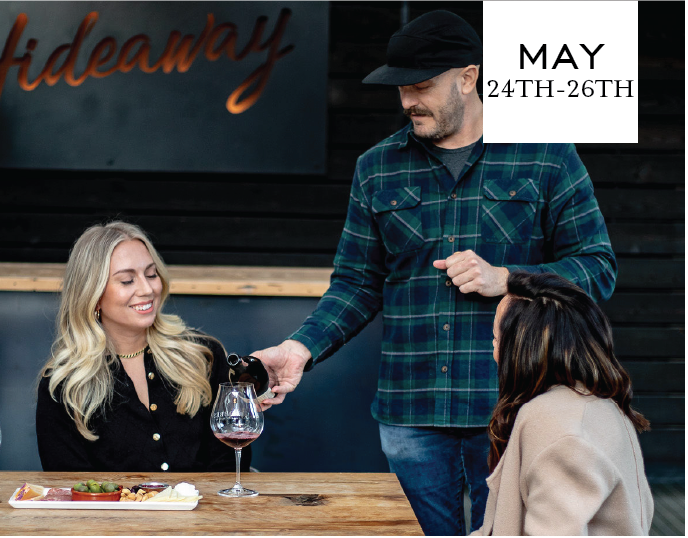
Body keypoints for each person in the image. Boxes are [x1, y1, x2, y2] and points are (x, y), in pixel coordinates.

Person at [254, 10, 617, 536]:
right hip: (411, 411)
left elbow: (598, 268)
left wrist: (507, 279)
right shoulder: (377, 167)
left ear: (468, 78)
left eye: (421, 86)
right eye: (400, 88)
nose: (406, 101)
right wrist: (300, 348)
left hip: (515, 405)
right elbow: (357, 283)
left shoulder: (546, 156)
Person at [36, 221, 249, 473]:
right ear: (92, 296)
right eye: (127, 280)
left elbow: (231, 467)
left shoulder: (203, 356)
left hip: (206, 511)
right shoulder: (64, 385)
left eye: (151, 274)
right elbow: (71, 488)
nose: (148, 289)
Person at [472, 271, 653, 535]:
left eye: (497, 339)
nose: (494, 351)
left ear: (523, 349)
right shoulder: (602, 404)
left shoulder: (552, 423)